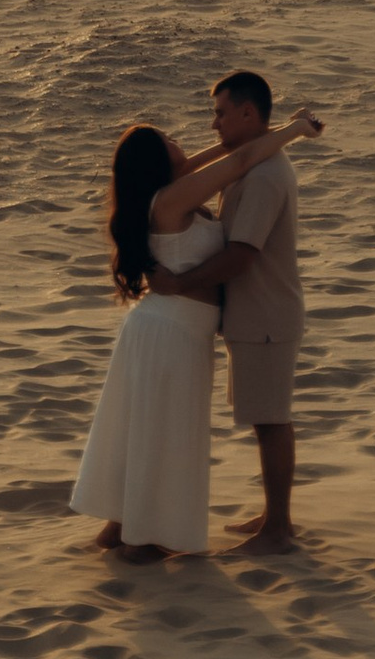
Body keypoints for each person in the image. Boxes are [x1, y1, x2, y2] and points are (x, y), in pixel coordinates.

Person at [68, 105, 313, 559]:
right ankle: (141, 540)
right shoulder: (172, 199)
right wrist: (296, 129)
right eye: (167, 137)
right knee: (162, 431)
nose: (178, 139)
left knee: (149, 426)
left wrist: (273, 130)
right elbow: (240, 160)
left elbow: (223, 152)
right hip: (172, 331)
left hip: (170, 328)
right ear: (156, 159)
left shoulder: (167, 190)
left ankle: (121, 528)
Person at [151, 71, 314, 552]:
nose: (214, 123)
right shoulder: (256, 164)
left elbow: (242, 255)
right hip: (257, 313)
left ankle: (278, 528)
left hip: (266, 314)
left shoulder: (263, 176)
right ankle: (274, 517)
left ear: (247, 112)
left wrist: (179, 284)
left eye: (220, 113)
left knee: (271, 420)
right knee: (267, 417)